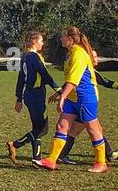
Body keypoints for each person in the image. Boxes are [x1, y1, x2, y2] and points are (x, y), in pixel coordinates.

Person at [35, 26, 109, 174]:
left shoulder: (79, 54)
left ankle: (101, 163)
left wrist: (62, 96)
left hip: (85, 97)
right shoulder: (71, 53)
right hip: (73, 96)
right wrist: (62, 93)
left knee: (93, 129)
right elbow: (70, 79)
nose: (60, 39)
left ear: (69, 38)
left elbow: (74, 79)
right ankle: (51, 160)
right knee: (62, 126)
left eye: (62, 36)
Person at [7, 30, 56, 165]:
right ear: (34, 42)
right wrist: (59, 89)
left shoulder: (25, 56)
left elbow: (21, 78)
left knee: (37, 127)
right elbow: (45, 75)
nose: (43, 43)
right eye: (41, 41)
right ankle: (15, 145)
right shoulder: (34, 57)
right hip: (36, 95)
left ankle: (37, 158)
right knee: (42, 129)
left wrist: (19, 98)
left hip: (29, 95)